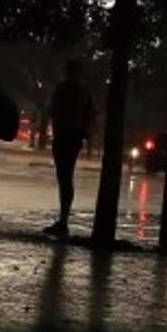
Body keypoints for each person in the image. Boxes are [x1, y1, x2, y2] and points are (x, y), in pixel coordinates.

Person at [43, 59, 97, 237]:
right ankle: (63, 218)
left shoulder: (63, 89)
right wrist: (84, 130)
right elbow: (90, 114)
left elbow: (53, 110)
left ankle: (63, 220)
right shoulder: (84, 91)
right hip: (74, 136)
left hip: (64, 135)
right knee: (67, 177)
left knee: (64, 177)